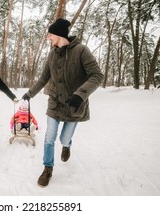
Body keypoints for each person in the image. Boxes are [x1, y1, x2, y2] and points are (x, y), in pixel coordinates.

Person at [22, 18, 103, 187]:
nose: (48, 38)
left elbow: (97, 75)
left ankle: (67, 146)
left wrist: (80, 95)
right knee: (49, 137)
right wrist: (29, 94)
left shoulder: (81, 50)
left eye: (50, 35)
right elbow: (44, 78)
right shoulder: (52, 54)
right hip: (55, 103)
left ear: (59, 35)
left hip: (74, 104)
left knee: (64, 138)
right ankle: (47, 168)